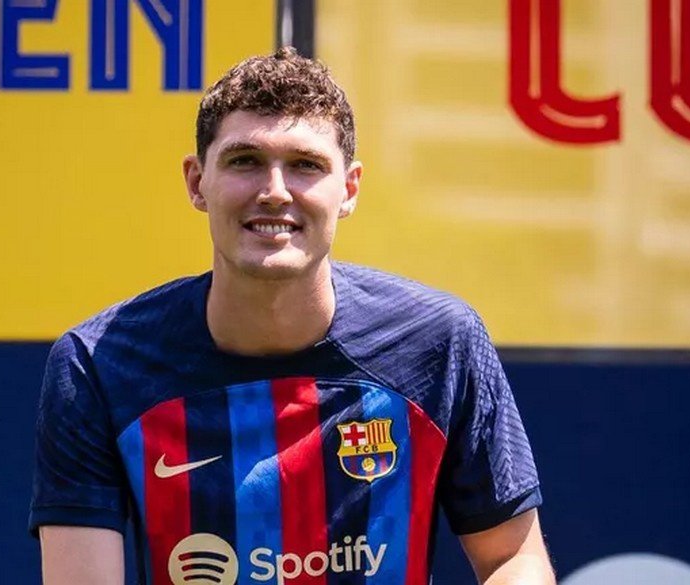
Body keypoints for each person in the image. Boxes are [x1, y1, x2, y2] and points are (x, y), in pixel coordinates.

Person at [30, 47, 554, 585]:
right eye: (245, 160)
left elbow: (513, 558)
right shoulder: (98, 363)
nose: (274, 192)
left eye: (305, 165)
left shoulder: (439, 342)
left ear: (348, 189)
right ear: (196, 182)